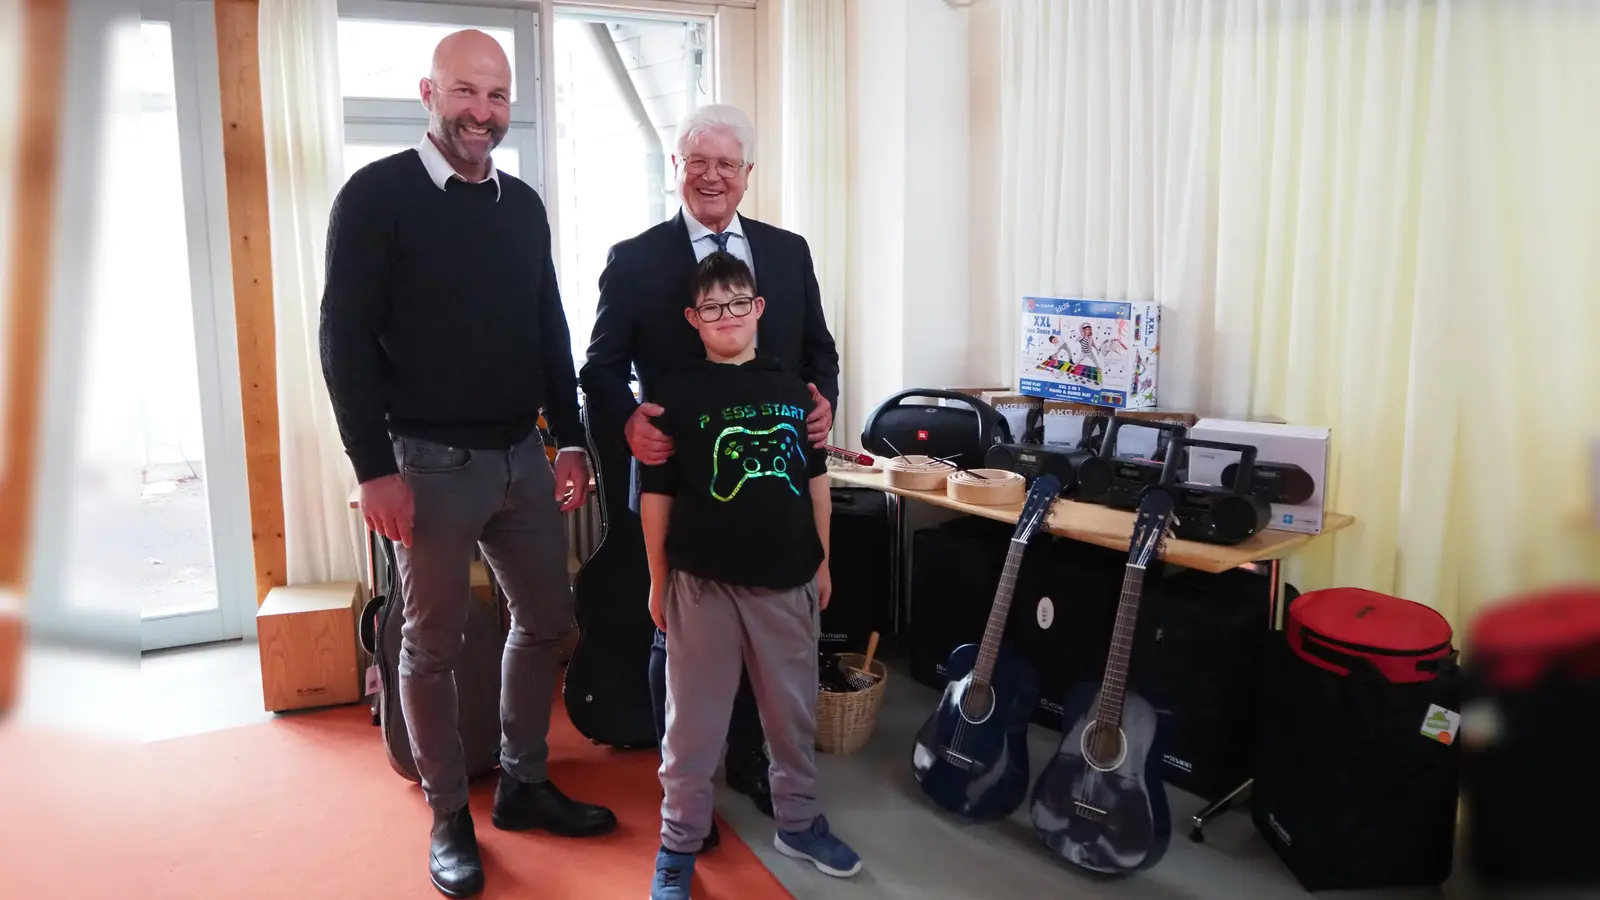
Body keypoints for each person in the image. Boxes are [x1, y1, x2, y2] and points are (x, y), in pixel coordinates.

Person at [320, 30, 616, 899]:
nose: (482, 112)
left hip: (523, 454)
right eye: (465, 93)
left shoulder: (521, 205)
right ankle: (449, 810)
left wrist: (570, 438)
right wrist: (373, 467)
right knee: (432, 644)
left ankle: (523, 782)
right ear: (428, 92)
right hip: (426, 464)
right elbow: (342, 341)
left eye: (496, 96)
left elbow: (548, 327)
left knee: (547, 619)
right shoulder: (376, 197)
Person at [579, 102, 841, 838]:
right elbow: (598, 366)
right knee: (672, 634)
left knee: (766, 630)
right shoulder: (635, 258)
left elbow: (818, 350)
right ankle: (683, 783)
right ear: (677, 170)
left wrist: (824, 404)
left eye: (727, 164)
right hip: (673, 482)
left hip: (772, 484)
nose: (712, 176)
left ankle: (755, 762)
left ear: (748, 175)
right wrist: (629, 420)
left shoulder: (788, 254)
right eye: (698, 162)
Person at [639, 251, 862, 899]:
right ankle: (679, 840)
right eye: (713, 307)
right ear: (695, 319)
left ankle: (798, 821)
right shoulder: (674, 395)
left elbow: (817, 482)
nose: (727, 315)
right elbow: (658, 497)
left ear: (758, 309)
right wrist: (658, 580)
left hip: (787, 581)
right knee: (692, 726)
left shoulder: (796, 391)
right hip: (701, 585)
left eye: (739, 302)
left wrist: (821, 559)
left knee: (791, 717)